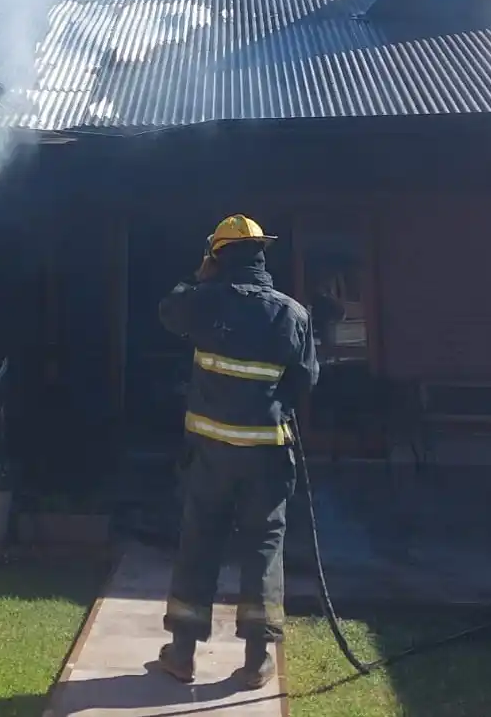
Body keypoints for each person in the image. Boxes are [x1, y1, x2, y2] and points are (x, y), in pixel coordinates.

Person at [155, 214, 319, 690]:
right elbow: (305, 380)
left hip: (209, 455)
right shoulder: (292, 313)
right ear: (261, 255)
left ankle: (182, 654)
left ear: (217, 256)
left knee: (199, 543)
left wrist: (197, 277)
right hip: (266, 455)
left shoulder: (202, 302)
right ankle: (255, 661)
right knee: (263, 548)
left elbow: (168, 311)